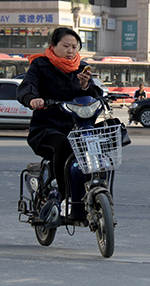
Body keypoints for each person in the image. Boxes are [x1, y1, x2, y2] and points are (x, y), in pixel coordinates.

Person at [17, 27, 102, 201]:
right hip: (46, 129)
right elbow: (27, 86)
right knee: (63, 145)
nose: (71, 51)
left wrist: (86, 86)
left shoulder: (82, 68)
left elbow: (95, 95)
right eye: (66, 46)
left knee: (97, 146)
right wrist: (32, 99)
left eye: (74, 46)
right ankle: (66, 198)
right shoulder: (40, 65)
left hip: (77, 128)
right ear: (53, 46)